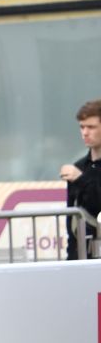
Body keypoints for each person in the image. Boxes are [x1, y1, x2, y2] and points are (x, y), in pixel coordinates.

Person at [60, 98, 101, 259]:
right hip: (82, 256)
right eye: (82, 127)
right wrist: (71, 260)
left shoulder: (78, 174)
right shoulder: (80, 167)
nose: (85, 133)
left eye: (91, 127)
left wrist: (81, 180)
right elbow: (72, 220)